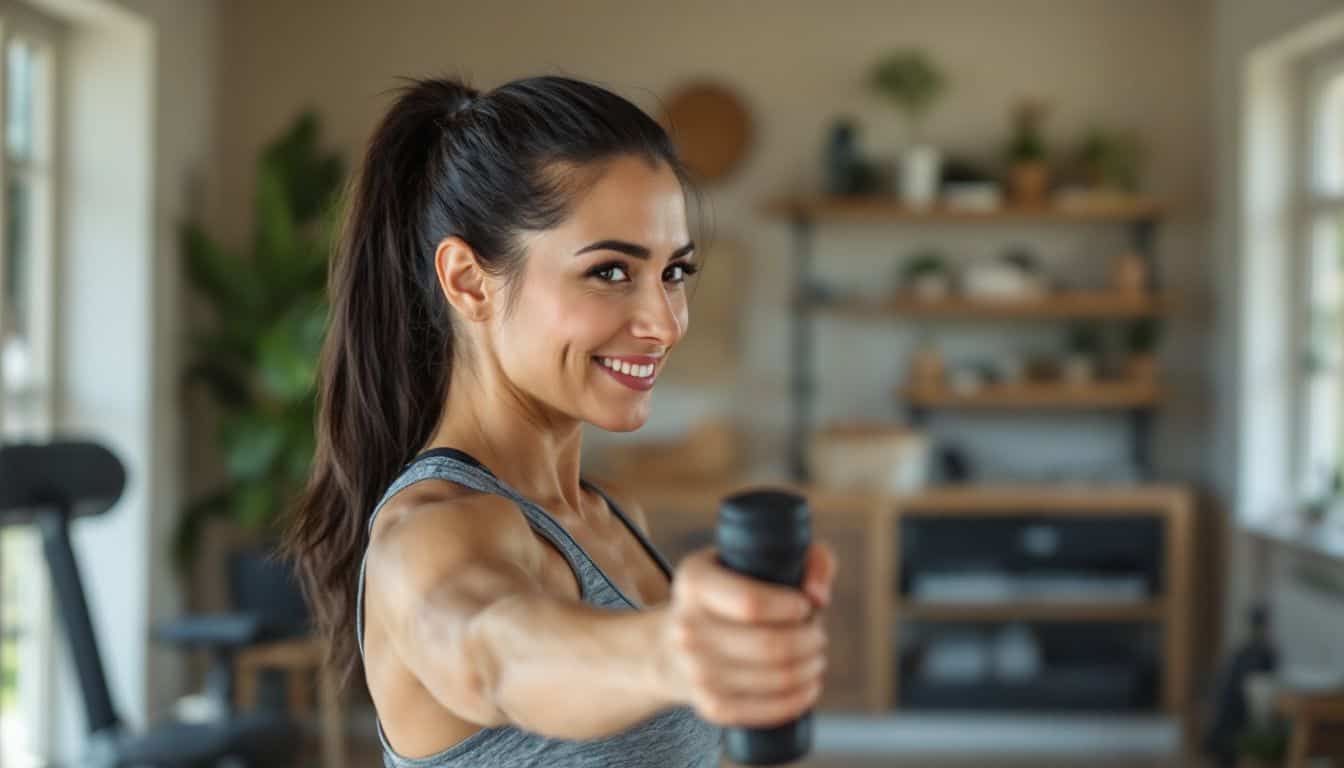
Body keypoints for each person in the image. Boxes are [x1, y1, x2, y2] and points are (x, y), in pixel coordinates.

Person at [286, 75, 836, 768]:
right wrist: (675, 650)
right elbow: (494, 654)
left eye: (675, 272)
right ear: (467, 281)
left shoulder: (611, 517)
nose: (665, 323)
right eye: (610, 272)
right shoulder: (429, 533)